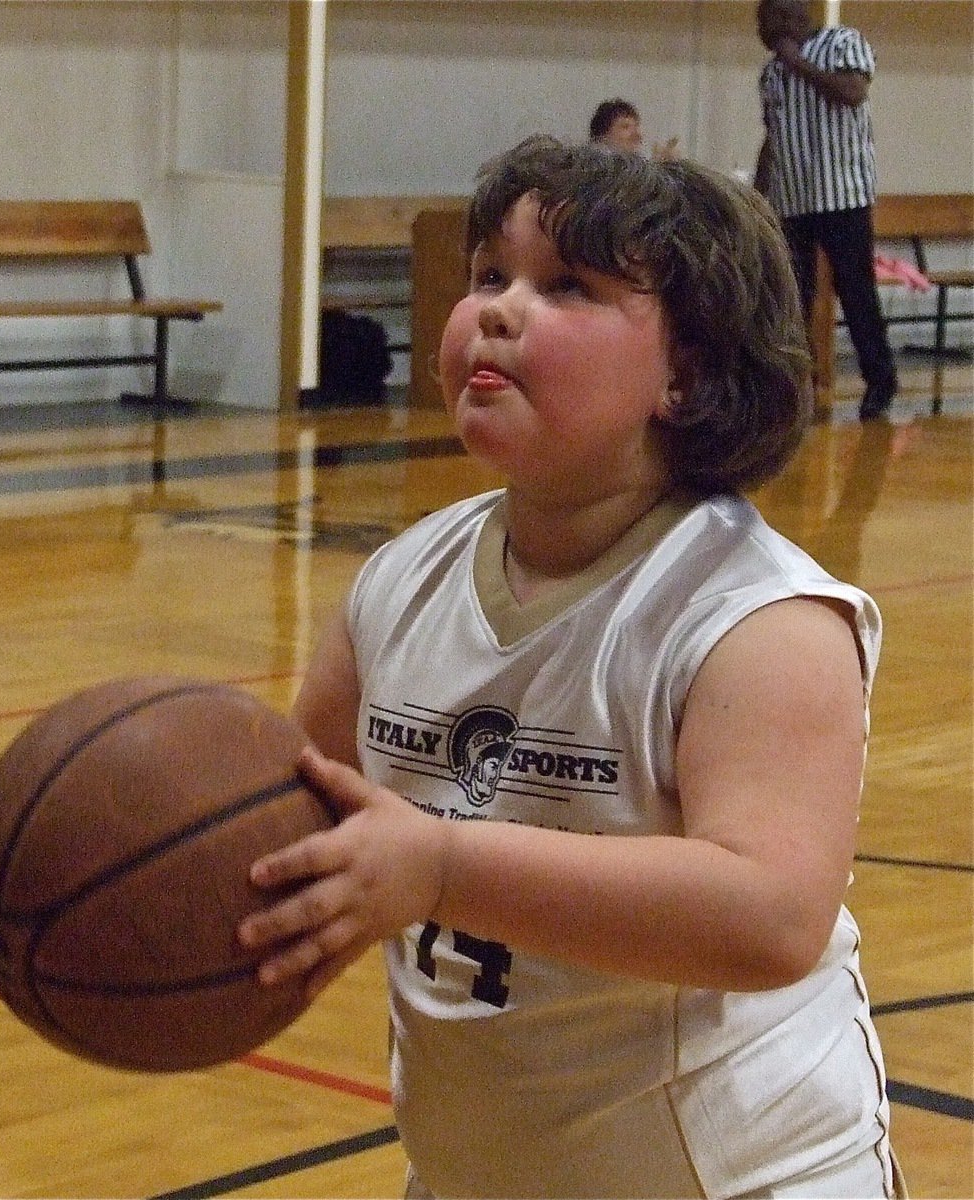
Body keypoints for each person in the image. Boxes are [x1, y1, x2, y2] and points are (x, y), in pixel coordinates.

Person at [239, 136, 901, 1198]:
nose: (498, 309)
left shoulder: (756, 617)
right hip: (479, 1172)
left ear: (684, 372)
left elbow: (771, 911)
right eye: (489, 276)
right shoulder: (401, 580)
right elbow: (281, 811)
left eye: (566, 287)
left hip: (743, 1178)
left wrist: (443, 867)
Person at [754, 0, 897, 421]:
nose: (768, 28)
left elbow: (852, 93)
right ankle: (800, 385)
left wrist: (797, 62)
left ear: (801, 14)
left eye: (777, 16)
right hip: (792, 200)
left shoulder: (842, 42)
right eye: (761, 22)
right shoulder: (770, 74)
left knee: (856, 293)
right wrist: (759, 198)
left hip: (844, 196)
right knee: (794, 296)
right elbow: (773, 136)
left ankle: (880, 382)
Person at [589, 96, 679, 160]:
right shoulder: (592, 168)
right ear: (602, 136)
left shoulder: (636, 165)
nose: (637, 134)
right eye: (625, 127)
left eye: (636, 126)